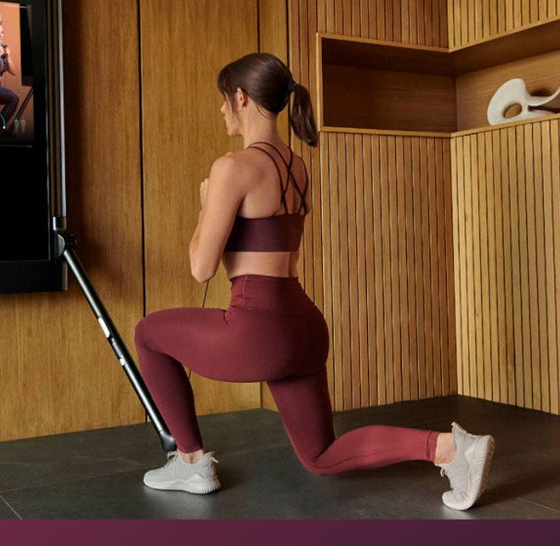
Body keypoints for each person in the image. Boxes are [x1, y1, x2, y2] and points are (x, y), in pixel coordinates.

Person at [133, 52, 495, 511]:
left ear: (241, 98)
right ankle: (450, 448)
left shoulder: (233, 167)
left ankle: (190, 461)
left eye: (224, 100)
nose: (222, 110)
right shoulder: (296, 167)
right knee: (321, 456)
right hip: (304, 326)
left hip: (258, 328)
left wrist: (206, 205)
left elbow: (201, 268)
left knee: (149, 333)